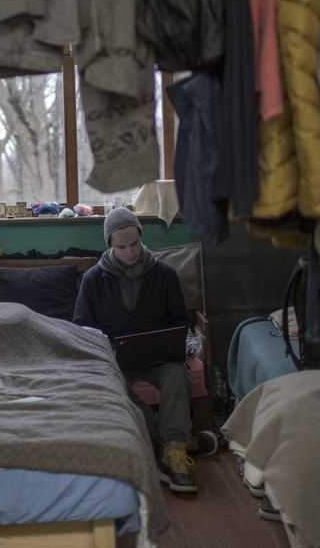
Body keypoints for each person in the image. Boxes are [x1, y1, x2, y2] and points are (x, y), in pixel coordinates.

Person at [73, 208, 218, 493]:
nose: (129, 252)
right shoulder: (93, 279)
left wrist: (172, 341)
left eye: (134, 244)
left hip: (158, 357)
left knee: (177, 374)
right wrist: (105, 348)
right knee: (110, 386)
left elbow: (179, 321)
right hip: (116, 361)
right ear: (110, 245)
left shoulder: (164, 274)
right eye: (121, 246)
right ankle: (175, 443)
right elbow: (81, 327)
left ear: (142, 237)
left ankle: (172, 453)